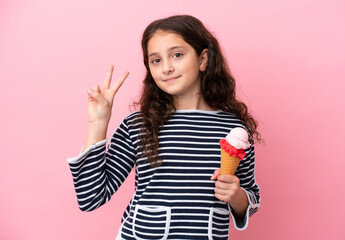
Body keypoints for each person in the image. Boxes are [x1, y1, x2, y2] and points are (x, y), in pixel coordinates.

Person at [67, 15, 261, 240]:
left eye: (177, 55)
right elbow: (91, 197)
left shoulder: (235, 130)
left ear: (203, 59)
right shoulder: (139, 125)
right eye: (156, 60)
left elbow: (251, 200)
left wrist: (236, 195)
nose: (166, 68)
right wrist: (98, 123)